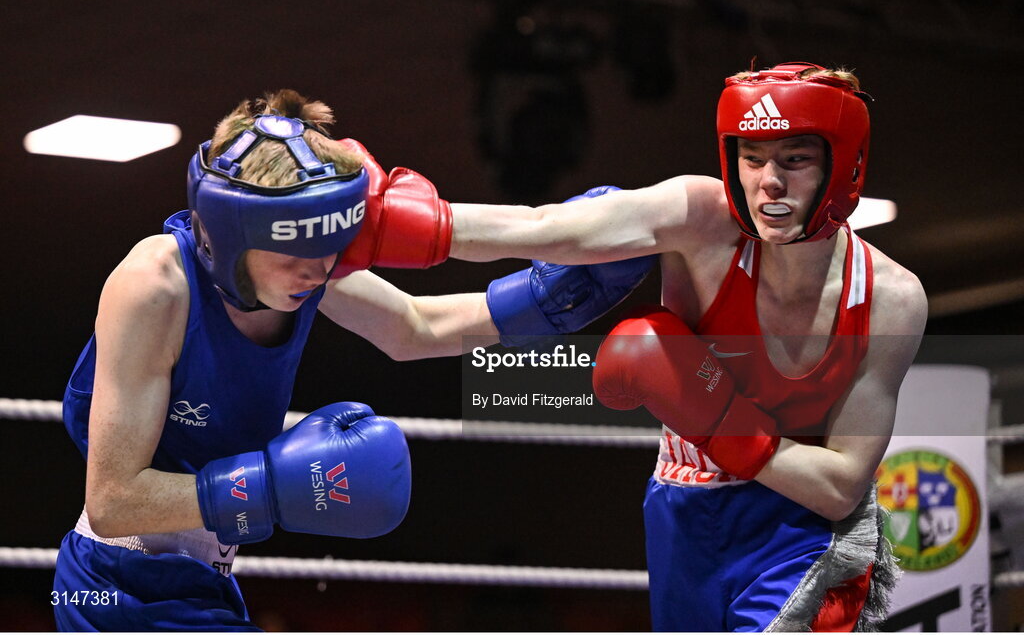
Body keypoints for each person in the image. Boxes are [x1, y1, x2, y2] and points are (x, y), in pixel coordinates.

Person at [53, 89, 652, 631]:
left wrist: (544, 302)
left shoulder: (306, 265)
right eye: (297, 253)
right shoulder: (155, 285)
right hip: (113, 584)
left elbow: (415, 327)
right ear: (233, 233)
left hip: (204, 579)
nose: (319, 271)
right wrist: (270, 490)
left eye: (328, 249)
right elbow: (112, 503)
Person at [448, 62, 927, 631]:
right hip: (682, 512)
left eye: (795, 160)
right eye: (752, 159)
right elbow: (541, 227)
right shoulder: (700, 219)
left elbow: (840, 487)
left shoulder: (888, 299)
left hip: (803, 534)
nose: (768, 182)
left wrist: (718, 418)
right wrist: (394, 225)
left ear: (842, 164)